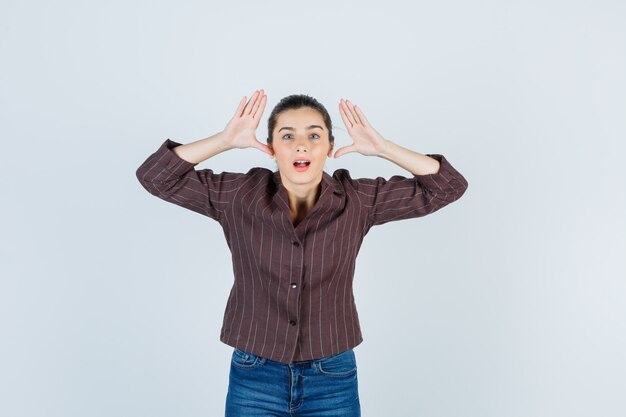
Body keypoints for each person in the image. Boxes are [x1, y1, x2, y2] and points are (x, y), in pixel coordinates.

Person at [135, 89, 468, 416]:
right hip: (254, 373)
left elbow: (449, 186)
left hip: (332, 376)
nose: (301, 144)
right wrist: (223, 140)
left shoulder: (357, 200)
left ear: (329, 147)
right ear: (271, 148)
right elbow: (154, 177)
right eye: (287, 135)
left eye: (314, 135)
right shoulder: (238, 195)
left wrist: (383, 148)